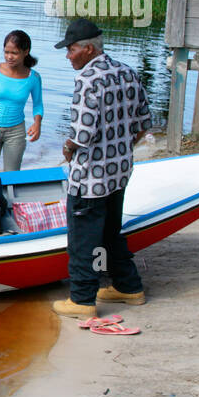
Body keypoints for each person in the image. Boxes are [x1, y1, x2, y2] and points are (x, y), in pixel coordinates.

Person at [51, 19, 152, 319]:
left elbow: (83, 133)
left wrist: (68, 148)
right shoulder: (127, 72)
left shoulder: (87, 80)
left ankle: (82, 300)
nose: (68, 56)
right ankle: (129, 287)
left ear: (88, 49)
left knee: (82, 240)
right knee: (111, 232)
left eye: (70, 50)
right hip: (119, 173)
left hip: (90, 179)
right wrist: (121, 146)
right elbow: (143, 123)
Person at [0, 30, 44, 172]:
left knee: (12, 176)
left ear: (26, 52)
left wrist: (37, 124)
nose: (9, 57)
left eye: (14, 53)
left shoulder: (34, 78)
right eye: (6, 52)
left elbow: (38, 104)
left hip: (16, 132)